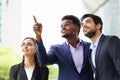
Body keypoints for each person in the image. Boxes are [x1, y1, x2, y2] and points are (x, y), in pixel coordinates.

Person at [33, 15, 94, 80]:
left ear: (76, 28)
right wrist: (38, 36)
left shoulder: (90, 47)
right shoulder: (57, 49)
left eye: (66, 25)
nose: (63, 28)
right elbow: (43, 61)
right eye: (61, 26)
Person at [80, 13, 120, 80]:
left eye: (87, 22)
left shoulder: (111, 41)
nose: (84, 26)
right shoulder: (90, 51)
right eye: (82, 25)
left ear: (98, 26)